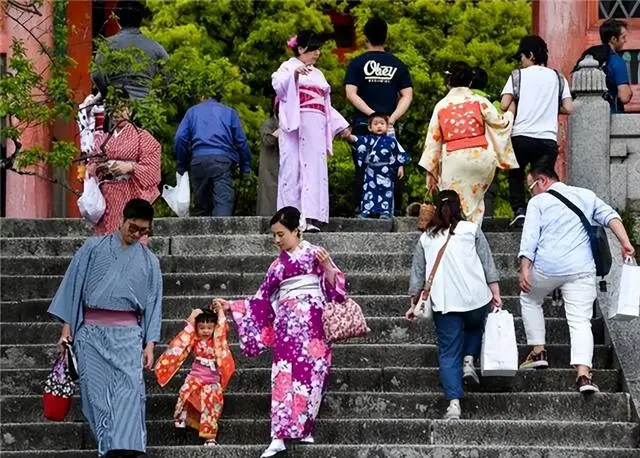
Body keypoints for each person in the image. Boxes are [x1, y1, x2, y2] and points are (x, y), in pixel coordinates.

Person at [217, 206, 347, 457]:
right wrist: (232, 305)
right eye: (274, 235)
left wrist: (328, 267)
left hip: (315, 325)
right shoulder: (277, 265)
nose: (277, 240)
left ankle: (303, 428)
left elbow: (338, 289)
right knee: (283, 377)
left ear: (296, 231)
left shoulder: (315, 254)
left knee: (313, 376)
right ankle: (278, 435)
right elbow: (260, 300)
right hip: (288, 328)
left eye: (280, 234)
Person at [48, 198, 163, 458]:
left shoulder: (150, 261)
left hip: (128, 336)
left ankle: (130, 450)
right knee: (97, 397)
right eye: (133, 227)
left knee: (130, 394)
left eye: (144, 231)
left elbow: (154, 302)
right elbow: (73, 290)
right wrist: (67, 332)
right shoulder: (92, 248)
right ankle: (109, 449)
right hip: (91, 335)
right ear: (122, 220)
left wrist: (150, 343)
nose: (137, 235)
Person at [518, 163, 635, 392]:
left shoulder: (538, 202)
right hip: (581, 270)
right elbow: (610, 216)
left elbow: (530, 237)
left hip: (547, 268)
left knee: (529, 298)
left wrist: (524, 268)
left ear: (542, 180)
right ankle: (584, 375)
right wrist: (625, 242)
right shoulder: (585, 195)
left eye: (531, 187)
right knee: (580, 321)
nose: (532, 192)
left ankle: (538, 351)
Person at [406, 190, 502, 420]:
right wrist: (495, 293)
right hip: (476, 298)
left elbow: (417, 275)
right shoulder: (471, 230)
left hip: (445, 303)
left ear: (435, 209)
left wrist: (413, 303)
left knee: (448, 354)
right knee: (476, 326)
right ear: (459, 207)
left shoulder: (426, 237)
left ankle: (454, 404)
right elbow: (487, 263)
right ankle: (469, 359)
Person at [420, 62, 518, 225]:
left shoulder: (441, 105)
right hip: (480, 157)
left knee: (453, 201)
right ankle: (472, 234)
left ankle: (454, 235)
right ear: (470, 82)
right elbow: (500, 123)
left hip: (454, 157)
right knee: (476, 202)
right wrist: (510, 114)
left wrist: (431, 171)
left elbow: (433, 141)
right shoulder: (480, 101)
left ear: (448, 81)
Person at [273, 30, 350, 232]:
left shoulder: (319, 74)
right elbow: (279, 88)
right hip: (296, 125)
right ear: (300, 49)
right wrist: (294, 75)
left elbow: (324, 105)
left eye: (318, 50)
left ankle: (310, 217)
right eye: (312, 49)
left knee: (314, 169)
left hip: (315, 124)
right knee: (293, 170)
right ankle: (291, 218)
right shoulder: (288, 67)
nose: (316, 53)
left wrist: (341, 125)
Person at [500, 35, 573, 228]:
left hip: (521, 136)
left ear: (530, 55)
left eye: (522, 57)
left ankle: (520, 211)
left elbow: (504, 103)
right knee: (543, 177)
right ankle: (545, 212)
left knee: (516, 174)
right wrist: (548, 106)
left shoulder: (518, 76)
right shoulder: (558, 77)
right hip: (547, 139)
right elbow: (568, 108)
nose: (521, 62)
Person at [344, 16, 413, 216]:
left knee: (362, 167)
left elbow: (350, 93)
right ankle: (394, 209)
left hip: (363, 123)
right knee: (392, 165)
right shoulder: (397, 64)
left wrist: (372, 115)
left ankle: (361, 208)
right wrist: (390, 118)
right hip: (389, 124)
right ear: (385, 36)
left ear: (365, 37)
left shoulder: (357, 63)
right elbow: (407, 95)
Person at [154, 305, 235, 447]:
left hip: (212, 379)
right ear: (197, 328)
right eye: (202, 327)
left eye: (209, 327)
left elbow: (222, 327)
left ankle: (210, 437)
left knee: (211, 406)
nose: (205, 331)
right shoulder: (194, 339)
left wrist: (220, 311)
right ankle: (183, 415)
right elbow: (183, 339)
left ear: (214, 327)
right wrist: (192, 318)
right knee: (186, 391)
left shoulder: (217, 339)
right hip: (196, 375)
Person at [89, 97, 161, 237]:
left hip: (131, 192)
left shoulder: (142, 137)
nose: (117, 113)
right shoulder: (103, 138)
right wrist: (101, 167)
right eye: (112, 110)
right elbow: (92, 163)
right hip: (107, 194)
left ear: (131, 110)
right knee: (108, 235)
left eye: (121, 109)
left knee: (132, 233)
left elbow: (152, 166)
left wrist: (130, 167)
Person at [174, 95, 252, 217]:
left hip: (198, 161)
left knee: (201, 205)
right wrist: (245, 167)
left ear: (202, 96)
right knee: (223, 203)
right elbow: (241, 141)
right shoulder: (229, 112)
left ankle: (200, 233)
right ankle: (220, 233)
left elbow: (180, 138)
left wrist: (181, 165)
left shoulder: (192, 111)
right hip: (222, 161)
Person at [92, 0, 169, 101]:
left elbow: (97, 75)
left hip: (117, 109)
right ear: (140, 20)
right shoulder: (155, 47)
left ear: (117, 19)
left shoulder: (107, 45)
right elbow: (170, 77)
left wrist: (106, 94)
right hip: (146, 108)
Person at [346, 112, 410, 219]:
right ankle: (367, 210)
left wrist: (400, 166)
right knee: (369, 190)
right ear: (370, 128)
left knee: (386, 190)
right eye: (375, 124)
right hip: (371, 170)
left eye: (382, 123)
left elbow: (398, 154)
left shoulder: (391, 141)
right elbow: (357, 139)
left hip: (386, 170)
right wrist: (348, 136)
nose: (379, 126)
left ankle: (385, 211)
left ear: (386, 126)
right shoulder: (368, 139)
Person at [470, 67, 500, 218]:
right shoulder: (493, 102)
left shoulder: (460, 101)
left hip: (465, 151)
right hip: (488, 153)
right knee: (488, 189)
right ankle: (487, 220)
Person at [601, 19, 632, 113]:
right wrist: (629, 92)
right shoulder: (617, 62)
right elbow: (624, 97)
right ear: (614, 39)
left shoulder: (596, 57)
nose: (625, 41)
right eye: (623, 37)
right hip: (612, 115)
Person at [256, 102, 280, 217]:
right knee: (268, 198)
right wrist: (280, 131)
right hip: (270, 168)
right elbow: (268, 141)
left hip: (284, 168)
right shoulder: (268, 124)